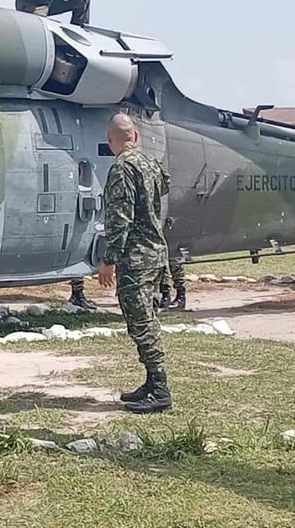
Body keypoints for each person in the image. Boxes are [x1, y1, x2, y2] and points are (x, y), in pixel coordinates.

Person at [97, 113, 172, 414]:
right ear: (136, 136)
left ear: (110, 141)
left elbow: (120, 219)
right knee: (147, 318)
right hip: (156, 253)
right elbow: (163, 188)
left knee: (141, 322)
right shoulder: (150, 163)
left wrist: (109, 261)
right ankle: (152, 382)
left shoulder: (122, 168)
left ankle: (160, 388)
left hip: (137, 258)